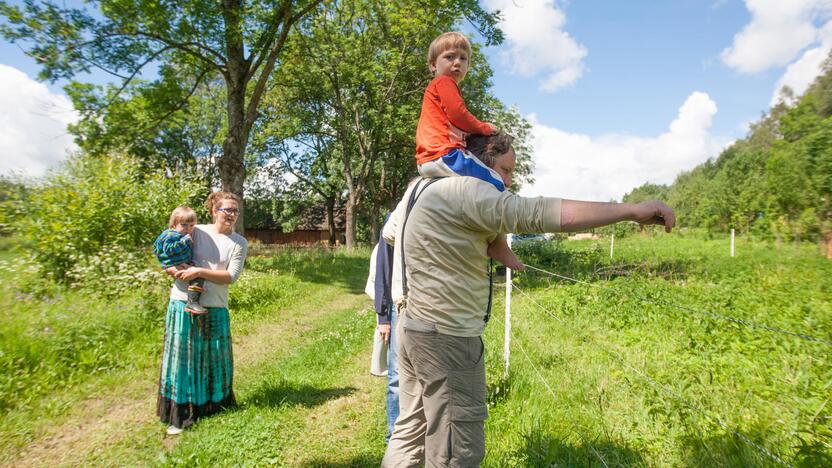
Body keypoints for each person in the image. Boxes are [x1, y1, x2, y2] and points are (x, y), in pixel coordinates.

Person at [381, 133, 675, 466]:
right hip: (448, 339)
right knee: (455, 448)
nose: (507, 181)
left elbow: (390, 233)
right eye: (505, 171)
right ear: (482, 161)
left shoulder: (419, 188)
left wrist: (472, 237)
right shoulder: (469, 190)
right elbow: (540, 213)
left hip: (410, 329)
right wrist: (632, 211)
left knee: (410, 431)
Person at [415, 31, 522, 271]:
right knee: (496, 183)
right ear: (433, 65)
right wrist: (484, 128)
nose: (457, 62)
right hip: (443, 153)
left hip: (431, 157)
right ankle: (499, 244)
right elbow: (458, 115)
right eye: (449, 56)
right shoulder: (444, 83)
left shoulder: (437, 87)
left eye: (463, 58)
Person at [156, 191, 248, 436]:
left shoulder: (239, 242)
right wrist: (176, 272)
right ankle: (180, 414)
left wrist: (198, 271)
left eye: (234, 210)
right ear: (213, 211)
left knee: (215, 360)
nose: (230, 214)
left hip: (215, 306)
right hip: (182, 303)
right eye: (226, 209)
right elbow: (167, 255)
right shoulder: (196, 230)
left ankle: (214, 408)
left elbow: (231, 277)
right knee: (184, 361)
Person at [366, 222, 399, 444]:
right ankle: (393, 438)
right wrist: (383, 318)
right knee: (396, 377)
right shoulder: (393, 224)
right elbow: (381, 276)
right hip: (399, 307)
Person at [153, 205, 207, 314]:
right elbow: (169, 249)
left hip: (180, 262)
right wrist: (185, 241)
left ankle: (193, 302)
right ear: (174, 224)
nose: (188, 228)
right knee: (197, 278)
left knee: (196, 276)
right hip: (176, 263)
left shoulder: (178, 234)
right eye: (184, 225)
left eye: (191, 225)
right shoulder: (171, 234)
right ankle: (192, 302)